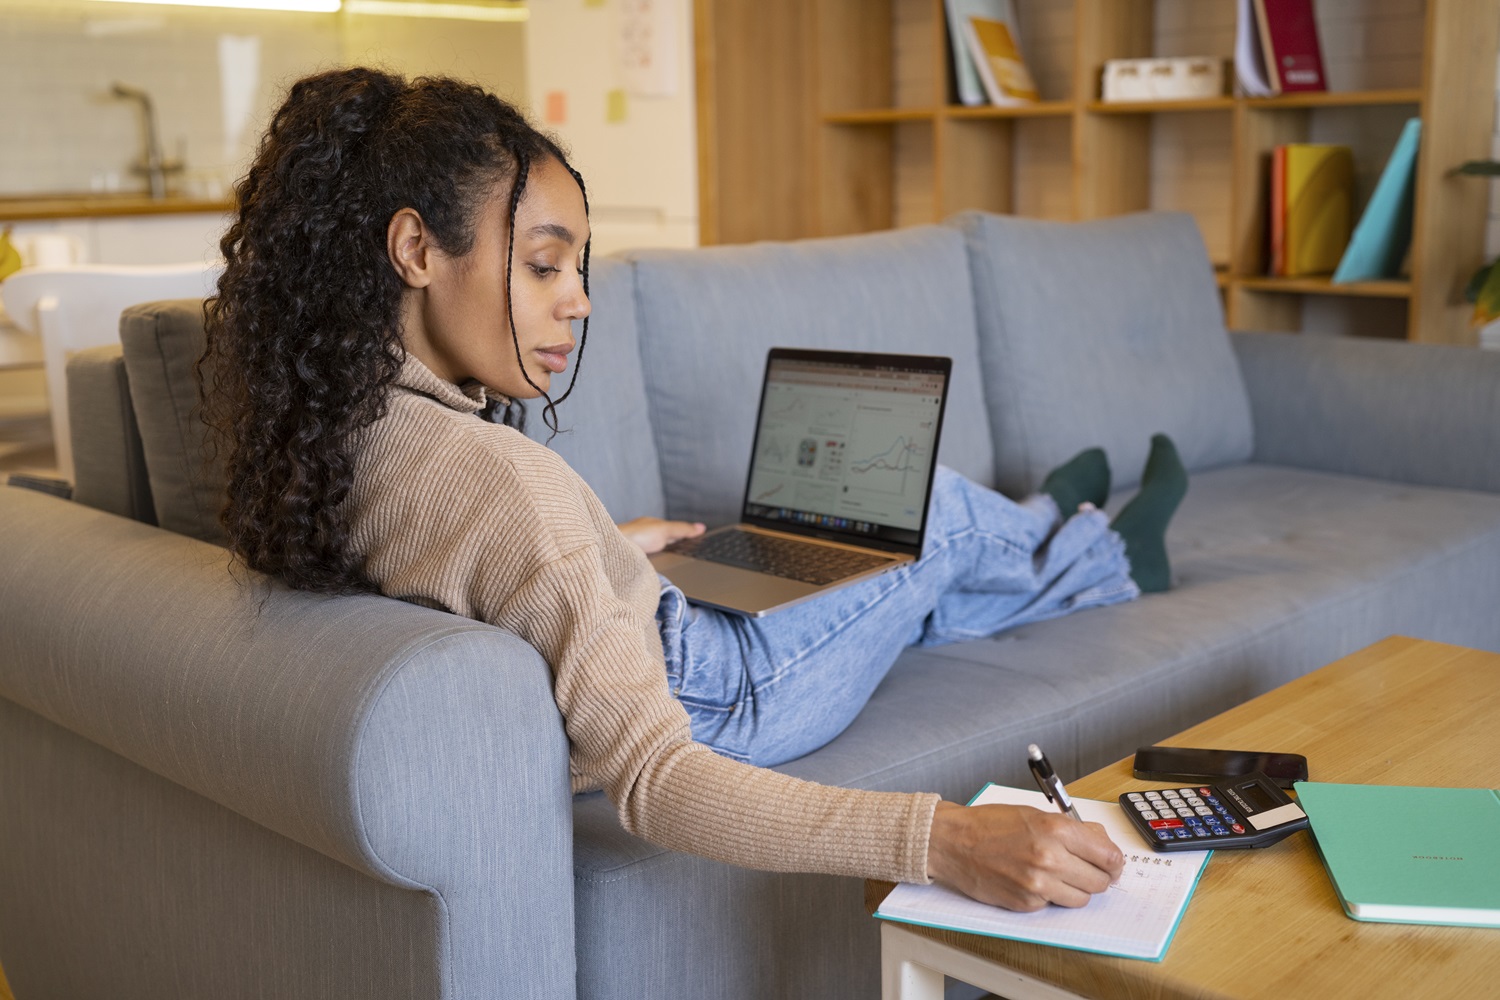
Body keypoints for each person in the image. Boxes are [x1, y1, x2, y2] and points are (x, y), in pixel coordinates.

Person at [201, 67, 1190, 913]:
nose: (578, 299)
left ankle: (1056, 524)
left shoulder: (329, 429)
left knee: (908, 583)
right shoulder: (502, 484)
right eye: (544, 263)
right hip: (733, 684)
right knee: (928, 508)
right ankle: (1095, 551)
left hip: (674, 627)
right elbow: (659, 780)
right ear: (416, 251)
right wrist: (944, 839)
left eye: (575, 266)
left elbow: (475, 568)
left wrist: (597, 553)